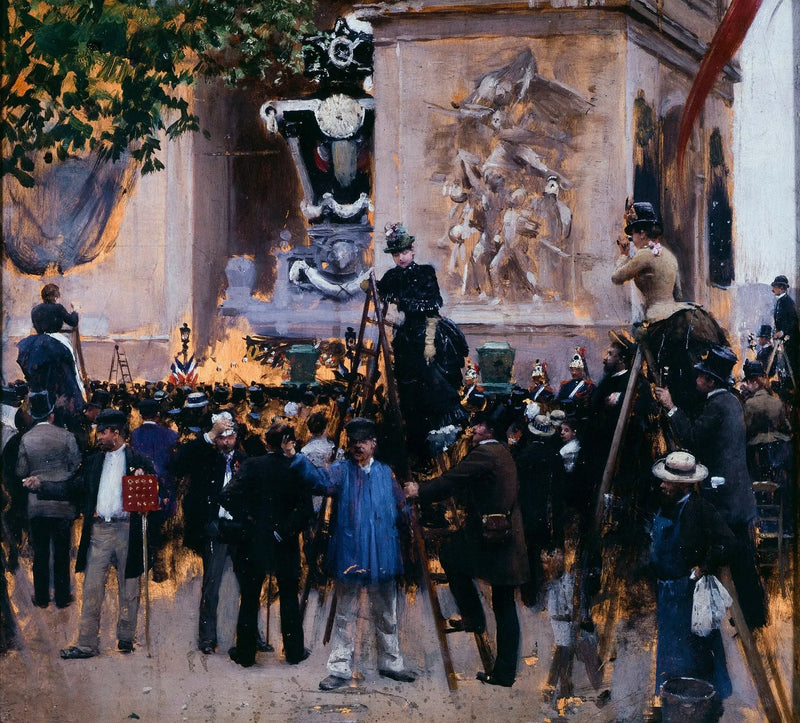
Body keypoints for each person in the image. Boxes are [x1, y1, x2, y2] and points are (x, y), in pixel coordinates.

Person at [408, 408, 529, 687]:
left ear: (490, 431)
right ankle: (503, 672)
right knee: (503, 603)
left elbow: (453, 479)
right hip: (507, 537)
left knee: (450, 555)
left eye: (478, 426)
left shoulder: (486, 453)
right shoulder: (501, 452)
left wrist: (420, 490)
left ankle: (474, 618)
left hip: (496, 539)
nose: (473, 430)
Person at [654, 345, 767, 629]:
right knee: (743, 562)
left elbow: (691, 437)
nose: (697, 380)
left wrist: (670, 407)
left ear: (711, 382)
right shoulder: (731, 401)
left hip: (725, 499)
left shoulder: (717, 405)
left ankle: (735, 622)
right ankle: (754, 619)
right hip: (737, 496)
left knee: (727, 558)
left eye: (702, 376)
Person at [311, 417, 415, 691]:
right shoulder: (341, 471)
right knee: (345, 614)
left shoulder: (384, 472)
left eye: (363, 442)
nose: (358, 446)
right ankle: (339, 669)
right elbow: (318, 482)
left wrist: (409, 517)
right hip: (351, 553)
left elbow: (401, 504)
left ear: (373, 444)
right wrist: (295, 458)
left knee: (387, 614)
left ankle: (392, 663)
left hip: (382, 553)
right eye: (354, 442)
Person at [611, 201, 729, 415]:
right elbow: (677, 292)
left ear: (642, 233)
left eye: (633, 234)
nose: (632, 239)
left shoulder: (644, 254)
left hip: (659, 316)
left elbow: (617, 277)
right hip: (677, 309)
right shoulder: (667, 255)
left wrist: (622, 253)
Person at [57, 408, 156, 658]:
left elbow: (155, 494)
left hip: (127, 530)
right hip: (99, 530)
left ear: (116, 433)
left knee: (129, 587)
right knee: (91, 588)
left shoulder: (139, 460)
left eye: (102, 432)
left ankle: (126, 637)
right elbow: (73, 487)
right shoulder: (92, 462)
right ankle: (86, 643)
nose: (98, 437)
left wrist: (144, 483)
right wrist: (43, 487)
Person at [221, 422, 318, 668]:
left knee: (251, 596)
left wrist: (249, 518)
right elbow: (305, 509)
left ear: (267, 443)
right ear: (291, 443)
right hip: (285, 542)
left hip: (255, 540)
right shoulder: (296, 467)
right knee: (288, 596)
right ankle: (294, 652)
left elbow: (227, 496)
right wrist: (285, 530)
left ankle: (245, 653)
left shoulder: (253, 464)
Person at [376, 223, 469, 466]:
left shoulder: (426, 272)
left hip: (429, 327)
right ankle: (415, 447)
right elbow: (380, 289)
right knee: (408, 386)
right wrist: (372, 286)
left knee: (431, 371)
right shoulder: (393, 275)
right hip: (407, 332)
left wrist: (403, 300)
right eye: (396, 254)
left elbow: (430, 303)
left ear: (412, 251)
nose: (400, 258)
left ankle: (440, 442)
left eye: (404, 253)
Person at [649, 451, 735, 702]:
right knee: (671, 658)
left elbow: (728, 543)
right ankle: (673, 702)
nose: (663, 485)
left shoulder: (699, 508)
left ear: (683, 484)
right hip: (666, 595)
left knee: (695, 658)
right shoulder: (665, 504)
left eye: (668, 481)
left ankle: (701, 705)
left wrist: (705, 566)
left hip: (688, 596)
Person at [174, 411, 246, 654]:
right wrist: (208, 436)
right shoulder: (204, 458)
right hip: (215, 528)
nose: (225, 442)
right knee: (211, 585)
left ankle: (251, 635)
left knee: (248, 584)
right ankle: (207, 638)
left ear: (236, 437)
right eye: (221, 438)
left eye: (229, 437)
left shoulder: (245, 460)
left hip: (240, 529)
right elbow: (179, 462)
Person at [16, 391, 82, 608]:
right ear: (51, 415)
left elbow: (21, 470)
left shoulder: (26, 439)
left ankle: (42, 597)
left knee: (40, 553)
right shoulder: (67, 436)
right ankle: (62, 598)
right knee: (62, 552)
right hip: (62, 503)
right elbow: (75, 466)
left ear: (33, 416)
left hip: (37, 505)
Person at [513, 413, 565, 607]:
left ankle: (529, 592)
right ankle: (546, 586)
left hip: (527, 509)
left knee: (529, 551)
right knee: (543, 548)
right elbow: (559, 489)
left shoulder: (523, 456)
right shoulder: (555, 456)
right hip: (547, 511)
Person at [129, 397, 179, 582]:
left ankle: (146, 562)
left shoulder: (135, 435)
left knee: (145, 523)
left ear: (141, 415)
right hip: (165, 484)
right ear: (158, 415)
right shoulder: (171, 434)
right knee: (162, 526)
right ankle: (160, 565)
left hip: (144, 485)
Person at [16, 283, 86, 415]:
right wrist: (75, 310)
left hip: (37, 343)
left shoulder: (35, 310)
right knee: (69, 367)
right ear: (55, 296)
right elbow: (73, 321)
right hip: (54, 341)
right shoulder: (58, 308)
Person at [770, 274, 799, 378]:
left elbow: (793, 322)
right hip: (782, 339)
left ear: (781, 288)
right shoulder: (779, 301)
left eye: (775, 287)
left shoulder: (788, 302)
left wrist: (782, 332)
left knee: (790, 366)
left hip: (790, 340)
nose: (773, 289)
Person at [555, 348, 595, 418]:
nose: (574, 372)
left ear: (582, 370)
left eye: (577, 369)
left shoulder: (589, 386)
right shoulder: (565, 385)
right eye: (572, 369)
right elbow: (559, 400)